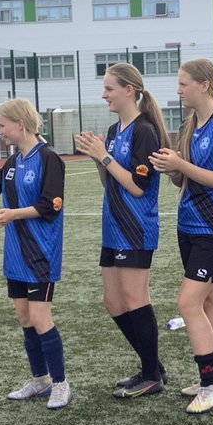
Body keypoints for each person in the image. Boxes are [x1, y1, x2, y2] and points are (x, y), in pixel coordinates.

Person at [148, 58, 213, 415]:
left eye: (184, 83)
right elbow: (184, 178)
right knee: (209, 302)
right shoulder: (190, 124)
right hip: (188, 226)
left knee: (188, 303)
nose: (178, 89)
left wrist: (181, 165)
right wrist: (170, 167)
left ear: (204, 85)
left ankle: (208, 387)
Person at [74, 62, 170, 398]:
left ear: (129, 90)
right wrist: (98, 158)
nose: (104, 95)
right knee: (113, 302)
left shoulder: (145, 130)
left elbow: (138, 187)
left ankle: (151, 374)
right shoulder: (116, 131)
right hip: (113, 225)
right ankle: (151, 365)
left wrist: (105, 156)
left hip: (135, 226)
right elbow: (110, 180)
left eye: (109, 88)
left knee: (134, 298)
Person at [0, 98, 71, 409]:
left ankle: (60, 384)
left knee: (40, 318)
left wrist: (12, 215)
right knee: (24, 317)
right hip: (15, 254)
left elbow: (50, 206)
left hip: (40, 253)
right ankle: (39, 379)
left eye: (2, 125)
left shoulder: (48, 158)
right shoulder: (14, 161)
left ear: (20, 124)